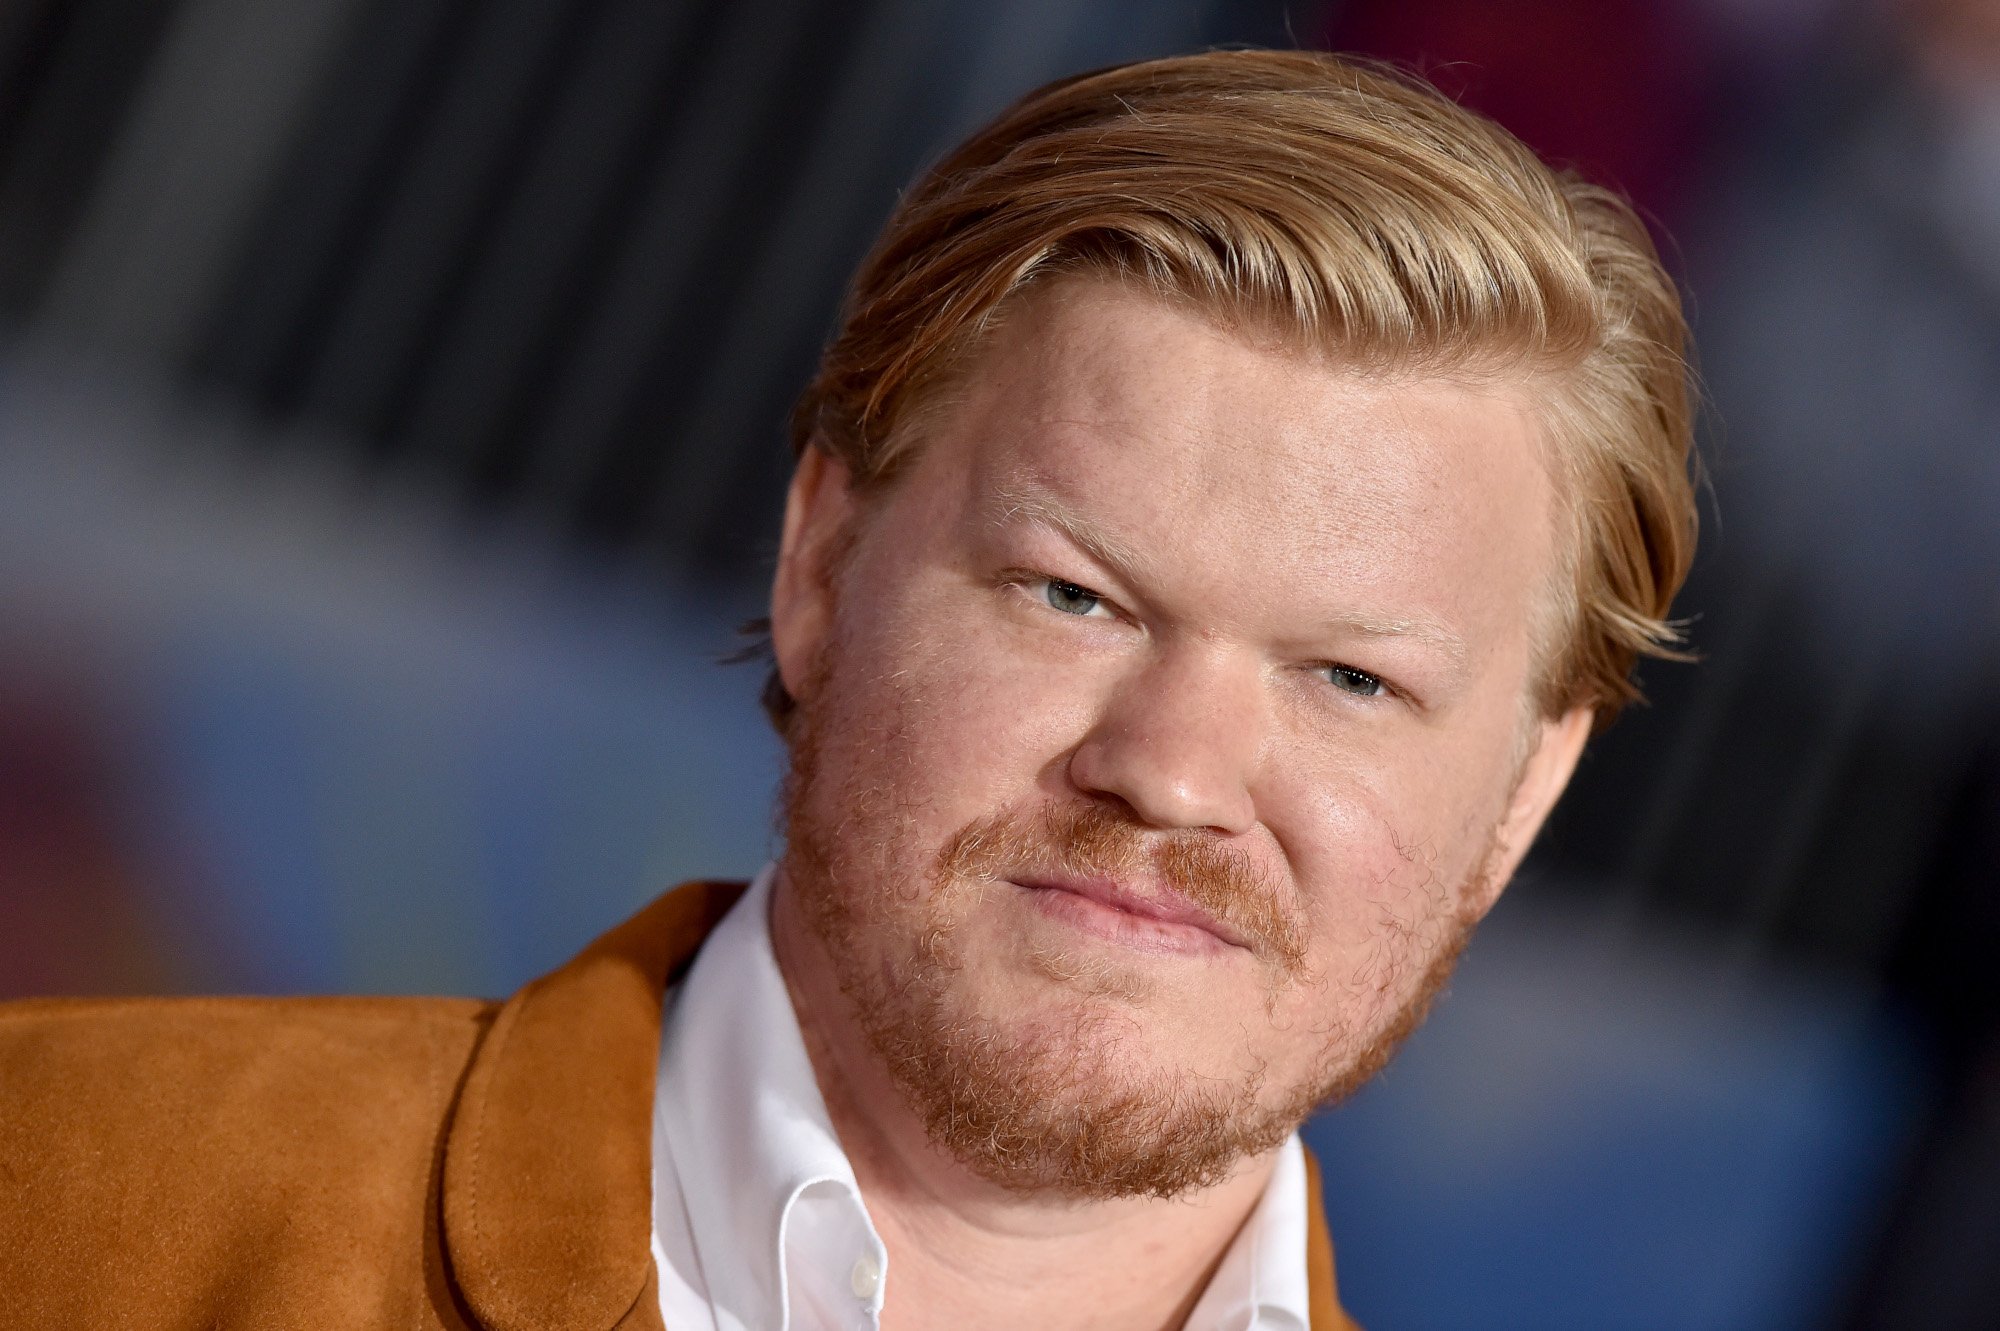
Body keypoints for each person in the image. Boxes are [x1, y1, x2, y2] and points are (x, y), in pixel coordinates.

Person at [0, 49, 1696, 1331]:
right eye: (1073, 595)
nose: (1172, 772)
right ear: (821, 568)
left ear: (1526, 794)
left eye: (1348, 676)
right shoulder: (65, 1193)